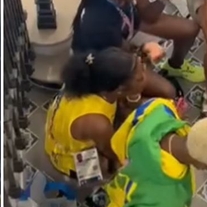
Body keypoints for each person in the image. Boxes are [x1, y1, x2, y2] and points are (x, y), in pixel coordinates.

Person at [72, 0, 204, 90]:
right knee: (168, 91)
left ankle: (175, 66)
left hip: (128, 27)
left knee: (190, 28)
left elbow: (149, 16)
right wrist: (145, 49)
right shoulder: (97, 22)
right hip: (109, 55)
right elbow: (124, 53)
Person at [44, 47, 149, 177]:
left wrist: (134, 95)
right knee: (111, 166)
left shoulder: (97, 84)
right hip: (66, 157)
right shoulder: (98, 123)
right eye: (139, 78)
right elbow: (111, 151)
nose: (146, 76)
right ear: (120, 89)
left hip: (64, 128)